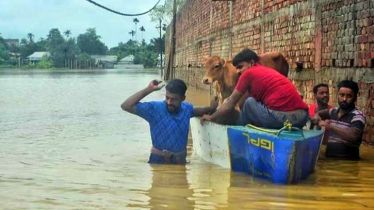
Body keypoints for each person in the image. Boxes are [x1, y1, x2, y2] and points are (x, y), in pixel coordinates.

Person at [201, 48, 309, 129]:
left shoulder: (248, 74)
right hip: (303, 117)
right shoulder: (268, 71)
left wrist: (213, 117)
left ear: (252, 63)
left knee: (249, 103)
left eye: (240, 67)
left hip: (285, 119)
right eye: (236, 68)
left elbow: (231, 102)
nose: (238, 71)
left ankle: (239, 133)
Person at [121, 79, 218, 164]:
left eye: (174, 99)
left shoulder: (187, 109)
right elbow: (126, 106)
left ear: (182, 99)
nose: (169, 102)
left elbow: (197, 110)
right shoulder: (154, 109)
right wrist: (149, 89)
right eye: (167, 98)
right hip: (157, 162)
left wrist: (211, 108)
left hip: (180, 162)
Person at [313, 80, 366, 160]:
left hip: (348, 164)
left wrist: (330, 126)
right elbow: (318, 114)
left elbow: (353, 136)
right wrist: (316, 118)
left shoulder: (357, 116)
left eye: (349, 96)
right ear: (337, 95)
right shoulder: (333, 112)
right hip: (330, 162)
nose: (344, 99)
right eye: (342, 95)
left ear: (355, 98)